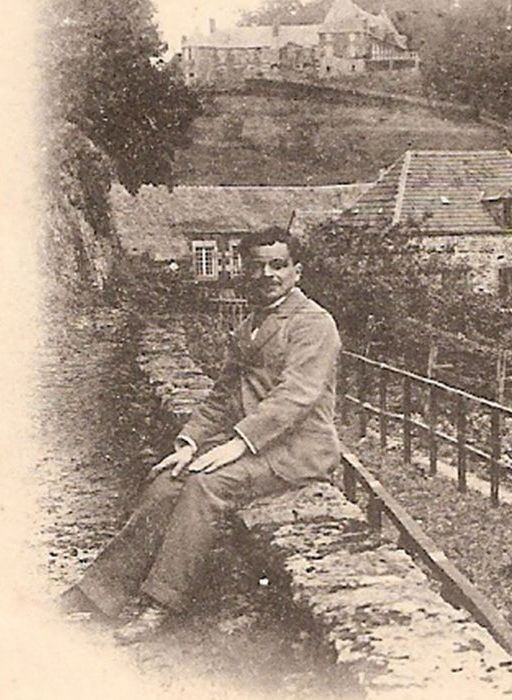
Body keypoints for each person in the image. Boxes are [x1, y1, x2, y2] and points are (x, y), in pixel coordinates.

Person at [58, 227, 343, 644]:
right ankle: (99, 593)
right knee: (167, 480)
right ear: (244, 270)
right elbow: (221, 395)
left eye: (278, 266)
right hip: (257, 446)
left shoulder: (314, 324)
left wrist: (235, 444)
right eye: (258, 266)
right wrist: (188, 443)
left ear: (296, 271)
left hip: (299, 450)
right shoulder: (248, 325)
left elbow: (294, 398)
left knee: (207, 484)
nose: (267, 274)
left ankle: (160, 605)